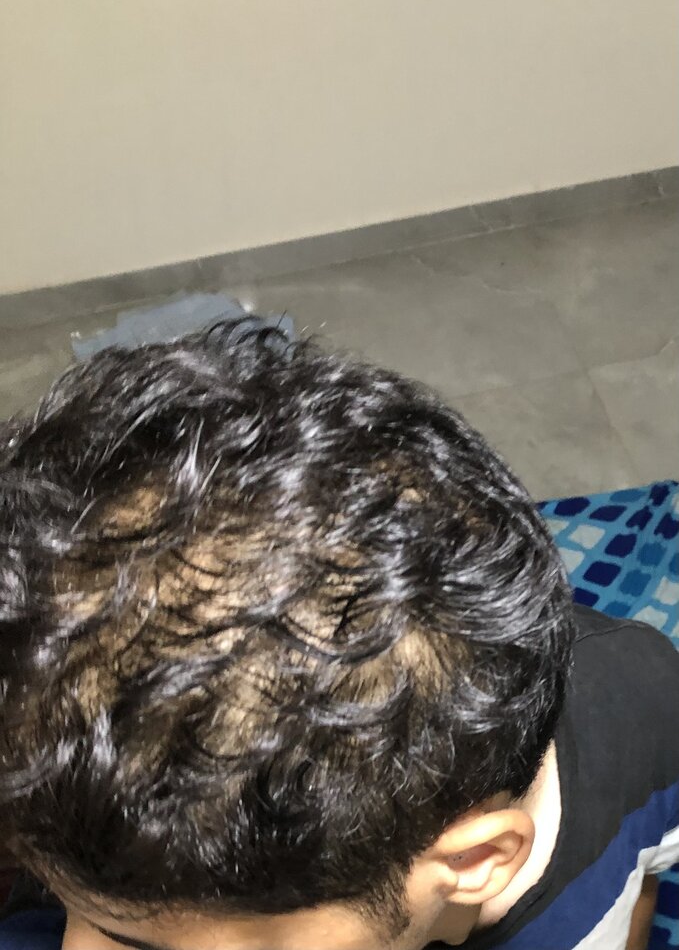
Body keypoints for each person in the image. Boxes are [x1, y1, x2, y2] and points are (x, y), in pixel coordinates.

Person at [0, 317, 677, 950]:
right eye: (66, 903)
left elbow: (642, 873)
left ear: (473, 860)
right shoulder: (71, 789)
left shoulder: (644, 709)